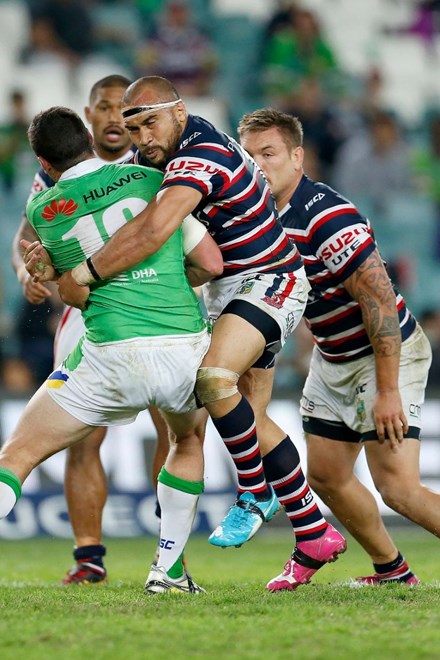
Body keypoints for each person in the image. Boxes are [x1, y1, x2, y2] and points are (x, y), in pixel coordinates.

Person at [50, 76, 347, 588]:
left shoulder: (198, 154)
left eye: (151, 123)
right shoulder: (156, 157)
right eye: (134, 129)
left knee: (213, 380)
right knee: (246, 416)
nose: (143, 137)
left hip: (270, 279)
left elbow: (153, 228)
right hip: (223, 292)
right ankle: (313, 530)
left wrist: (85, 272)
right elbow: (117, 210)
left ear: (180, 112)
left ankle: (253, 492)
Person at [1, 105, 223, 594]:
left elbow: (73, 292)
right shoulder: (154, 181)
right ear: (89, 137)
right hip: (183, 347)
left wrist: (50, 271)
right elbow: (211, 263)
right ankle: (168, 572)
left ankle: (91, 555)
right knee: (185, 442)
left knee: (17, 454)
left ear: (43, 162)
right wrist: (163, 281)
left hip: (109, 356)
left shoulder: (44, 210)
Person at [238, 107, 435, 587]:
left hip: (384, 353)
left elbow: (379, 304)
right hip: (333, 357)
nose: (257, 165)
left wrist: (387, 391)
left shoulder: (327, 216)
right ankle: (392, 571)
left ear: (297, 157)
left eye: (269, 153)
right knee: (326, 476)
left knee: (398, 488)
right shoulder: (257, 218)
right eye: (249, 155)